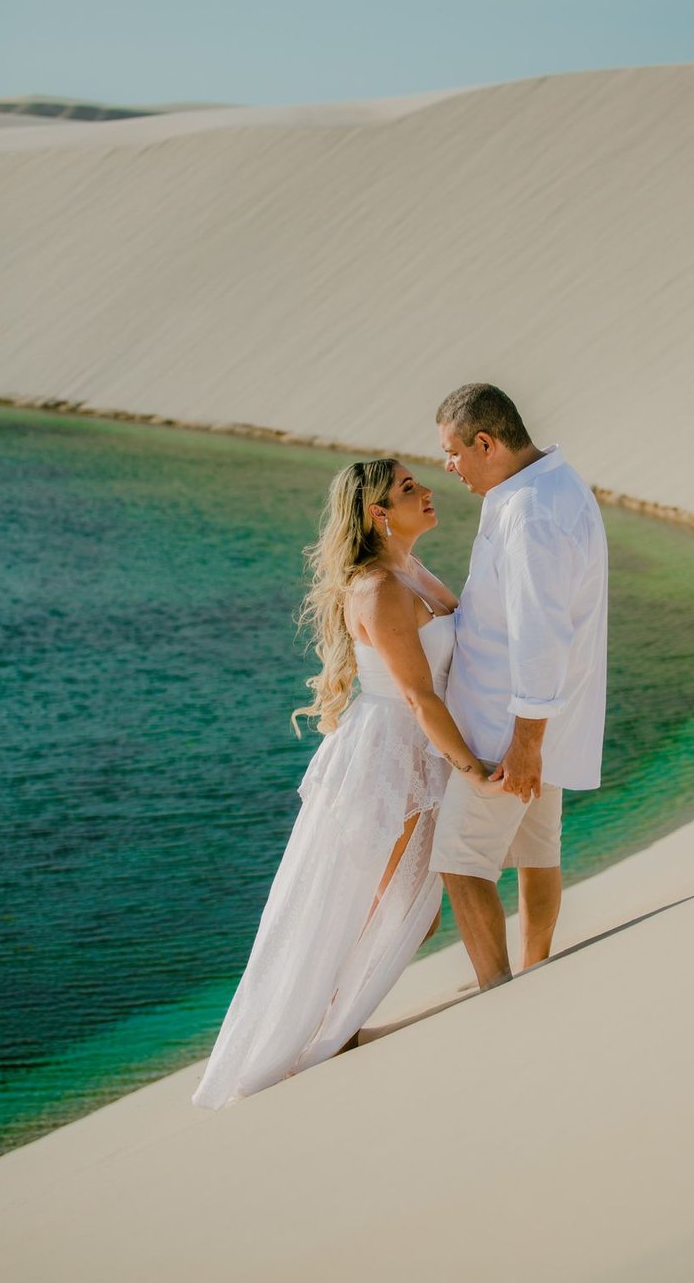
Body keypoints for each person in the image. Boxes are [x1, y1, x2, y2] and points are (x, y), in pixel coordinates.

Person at [192, 457, 490, 1110]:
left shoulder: (409, 569)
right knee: (378, 900)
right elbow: (415, 695)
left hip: (420, 747)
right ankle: (322, 1034)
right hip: (392, 755)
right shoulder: (380, 589)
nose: (426, 492)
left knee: (410, 900)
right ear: (379, 512)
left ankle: (336, 1025)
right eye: (409, 489)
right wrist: (473, 766)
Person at [430, 383, 609, 990]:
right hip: (536, 719)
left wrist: (526, 742)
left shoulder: (531, 513)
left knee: (460, 860)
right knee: (538, 850)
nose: (447, 466)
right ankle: (537, 969)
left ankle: (500, 991)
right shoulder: (539, 487)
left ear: (487, 442)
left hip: (505, 728)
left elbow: (541, 632)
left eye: (453, 452)